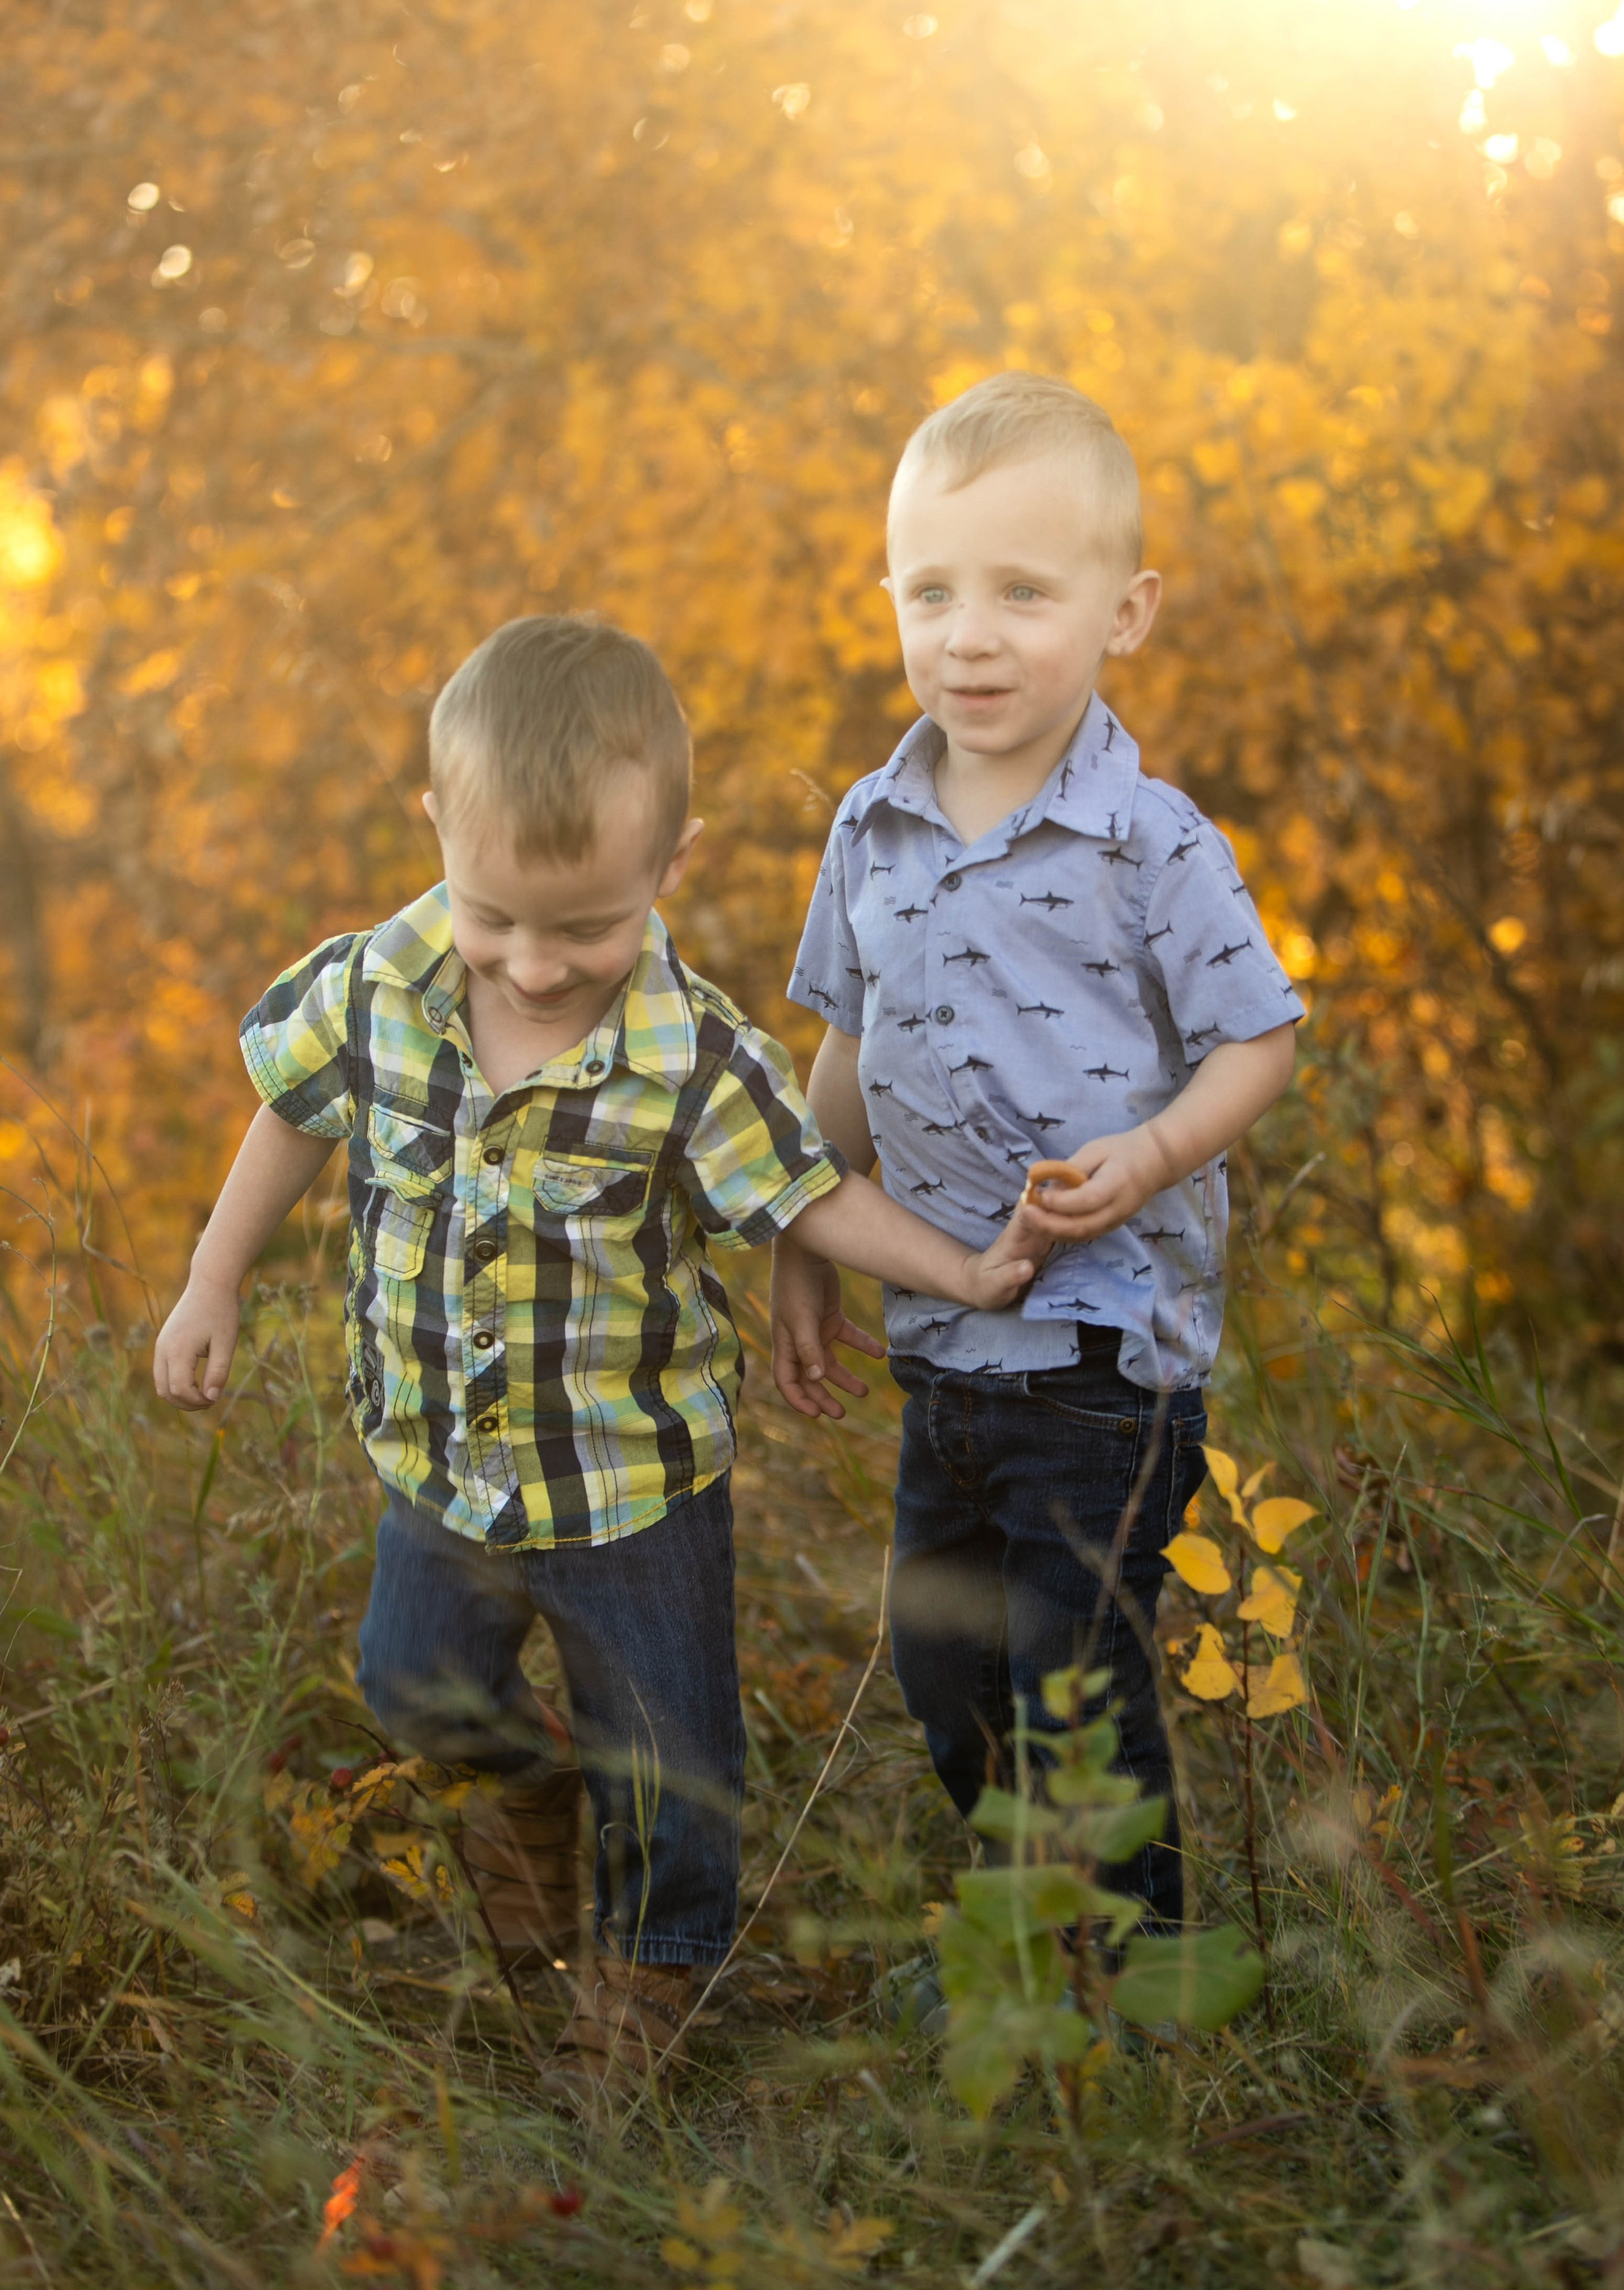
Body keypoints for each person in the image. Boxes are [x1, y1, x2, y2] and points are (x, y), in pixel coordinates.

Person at [152, 614, 1045, 2096]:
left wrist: (958, 1269)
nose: (535, 964)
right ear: (438, 829)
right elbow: (291, 1115)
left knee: (666, 1749)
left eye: (584, 928)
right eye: (496, 916)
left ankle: (652, 1970)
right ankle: (522, 1797)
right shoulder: (374, 987)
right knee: (411, 1679)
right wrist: (211, 1276)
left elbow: (803, 1193)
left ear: (669, 864)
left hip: (633, 1488)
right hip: (439, 1465)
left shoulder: (689, 1056)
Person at [773, 373, 1304, 1933]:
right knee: (945, 1665)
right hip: (941, 1343)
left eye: (1021, 591)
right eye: (931, 592)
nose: (970, 636)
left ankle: (1130, 1972)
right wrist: (804, 1237)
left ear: (1121, 612)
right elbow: (845, 1049)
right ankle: (1029, 1934)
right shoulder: (870, 825)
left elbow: (1258, 1040)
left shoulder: (1152, 841)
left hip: (1101, 1353)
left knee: (1075, 1681)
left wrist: (1151, 1153)